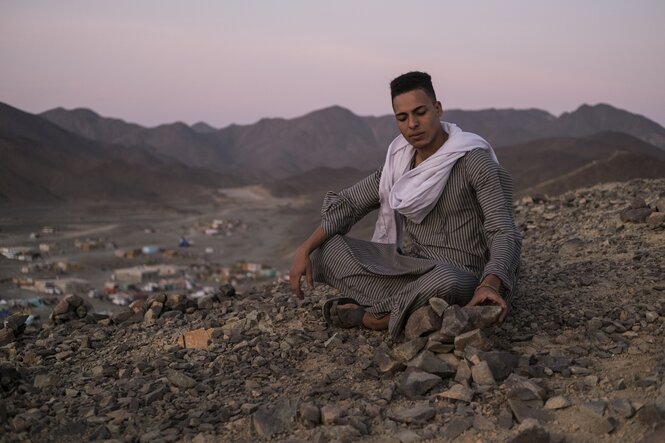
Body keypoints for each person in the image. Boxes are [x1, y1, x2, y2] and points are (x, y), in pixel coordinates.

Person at [289, 71, 521, 338]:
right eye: (403, 118)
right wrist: (304, 248)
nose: (413, 124)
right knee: (323, 248)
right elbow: (350, 204)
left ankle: (372, 317)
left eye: (420, 112)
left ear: (437, 109)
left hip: (467, 276)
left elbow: (503, 231)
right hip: (415, 268)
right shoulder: (399, 164)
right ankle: (413, 305)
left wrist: (490, 284)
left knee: (446, 279)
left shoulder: (473, 162)